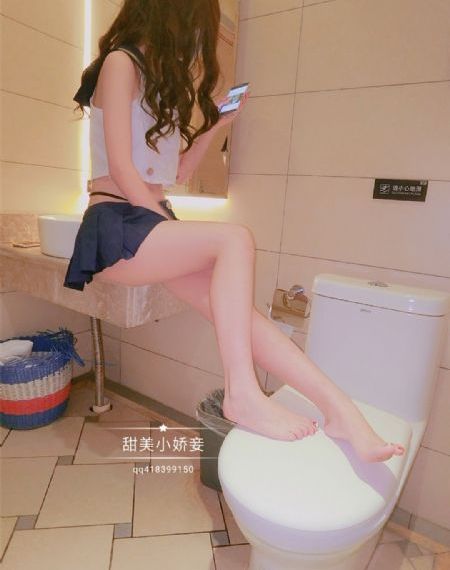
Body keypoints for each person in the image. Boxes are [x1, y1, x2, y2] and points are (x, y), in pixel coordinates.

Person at [64, 0, 406, 463]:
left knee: (242, 316)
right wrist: (166, 224)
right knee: (234, 238)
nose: (195, 41)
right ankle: (242, 394)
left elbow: (177, 173)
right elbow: (123, 171)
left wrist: (218, 124)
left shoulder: (156, 84)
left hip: (146, 219)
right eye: (196, 26)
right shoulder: (120, 63)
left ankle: (339, 409)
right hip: (115, 222)